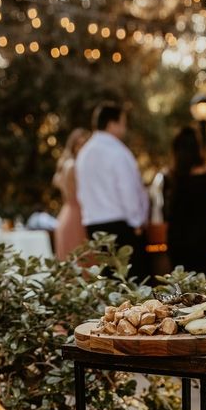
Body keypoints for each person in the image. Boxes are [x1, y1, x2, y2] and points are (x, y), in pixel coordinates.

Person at [75, 102, 151, 278]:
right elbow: (128, 190)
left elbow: (82, 193)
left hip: (94, 227)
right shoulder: (118, 152)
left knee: (109, 280)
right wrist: (137, 222)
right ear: (112, 124)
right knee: (133, 281)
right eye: (123, 123)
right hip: (121, 227)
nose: (125, 128)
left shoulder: (84, 153)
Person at [163, 126, 206, 279]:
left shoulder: (170, 178)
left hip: (177, 240)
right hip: (202, 239)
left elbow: (166, 213)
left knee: (181, 291)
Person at [53, 128, 90, 258]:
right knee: (82, 261)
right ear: (73, 146)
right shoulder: (73, 166)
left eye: (85, 143)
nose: (82, 147)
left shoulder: (67, 165)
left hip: (67, 215)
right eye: (79, 144)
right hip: (76, 218)